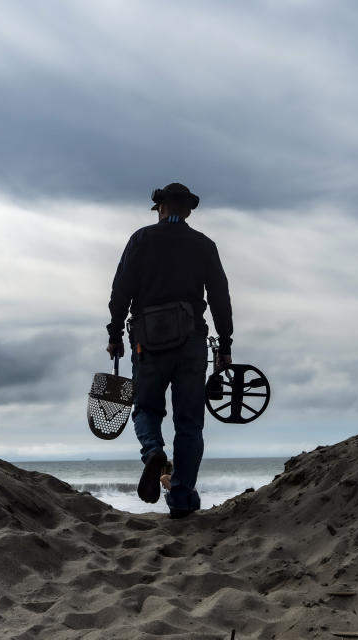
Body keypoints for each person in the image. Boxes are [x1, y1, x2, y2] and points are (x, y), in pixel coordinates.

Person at [106, 183, 233, 519]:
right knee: (190, 423)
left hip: (147, 339)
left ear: (160, 208)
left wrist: (115, 332)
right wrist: (226, 345)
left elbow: (121, 289)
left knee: (145, 408)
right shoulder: (204, 245)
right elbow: (220, 298)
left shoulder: (141, 239)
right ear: (188, 210)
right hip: (191, 341)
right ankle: (180, 498)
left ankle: (153, 453)